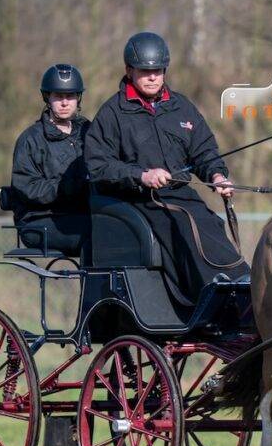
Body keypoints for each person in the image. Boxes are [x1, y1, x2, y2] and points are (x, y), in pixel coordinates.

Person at [84, 31, 248, 304]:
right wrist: (142, 175)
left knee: (211, 222)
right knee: (183, 222)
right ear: (129, 70)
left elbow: (203, 150)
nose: (152, 77)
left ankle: (240, 283)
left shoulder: (181, 107)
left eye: (158, 71)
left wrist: (217, 175)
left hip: (180, 194)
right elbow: (98, 166)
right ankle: (210, 296)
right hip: (137, 199)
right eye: (145, 71)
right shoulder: (112, 113)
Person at [10, 63, 91, 256]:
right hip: (38, 220)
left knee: (117, 228)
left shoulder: (89, 132)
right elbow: (27, 187)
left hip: (80, 214)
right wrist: (66, 187)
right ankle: (95, 277)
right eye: (58, 96)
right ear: (47, 97)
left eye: (70, 96)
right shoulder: (31, 139)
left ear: (78, 98)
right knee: (98, 234)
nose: (64, 103)